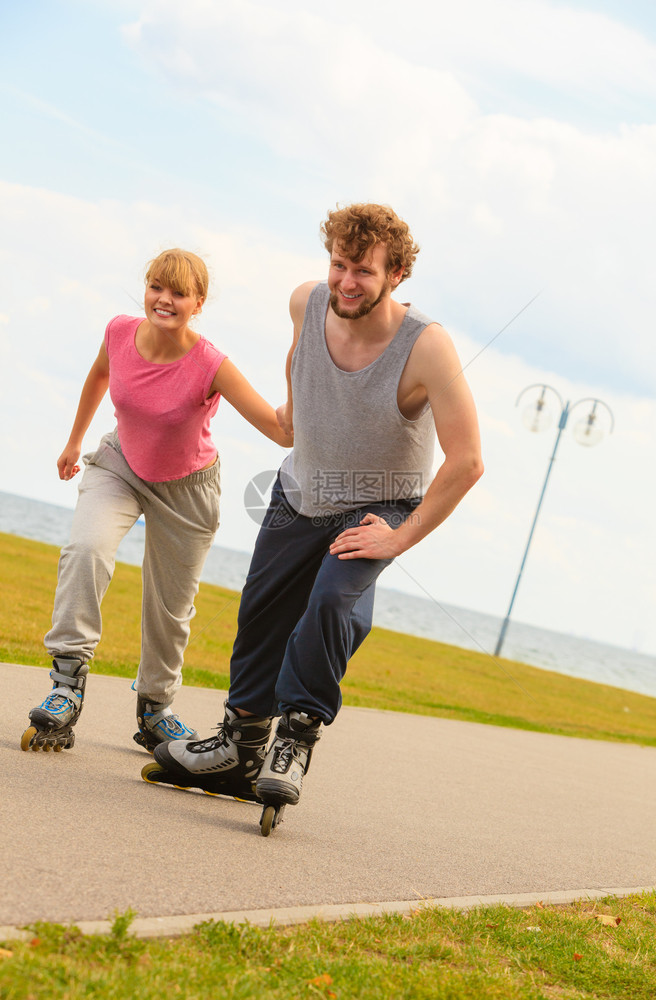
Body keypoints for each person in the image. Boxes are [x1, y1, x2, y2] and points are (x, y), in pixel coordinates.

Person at [149, 204, 484, 819]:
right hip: (299, 490)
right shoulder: (305, 301)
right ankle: (240, 746)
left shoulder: (427, 347)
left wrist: (400, 538)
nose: (346, 282)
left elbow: (466, 461)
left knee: (332, 601)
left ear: (398, 274)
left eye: (363, 270)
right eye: (338, 265)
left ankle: (294, 740)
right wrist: (295, 413)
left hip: (377, 503)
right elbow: (299, 354)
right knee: (260, 612)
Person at [21, 248, 292, 753]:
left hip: (187, 489)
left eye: (178, 293)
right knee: (86, 550)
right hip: (121, 464)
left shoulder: (210, 362)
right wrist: (74, 440)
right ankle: (65, 685)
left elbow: (280, 432)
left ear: (199, 304)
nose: (163, 300)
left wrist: (303, 369)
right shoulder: (119, 331)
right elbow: (99, 376)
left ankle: (155, 708)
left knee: (170, 607)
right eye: (156, 287)